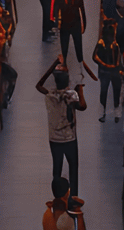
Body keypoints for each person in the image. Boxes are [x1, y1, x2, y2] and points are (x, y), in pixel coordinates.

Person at [38, 58, 87, 195]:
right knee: (73, 167)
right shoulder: (72, 95)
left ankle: (57, 195)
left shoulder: (50, 95)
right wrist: (80, 90)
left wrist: (53, 65)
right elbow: (82, 106)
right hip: (69, 138)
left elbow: (39, 85)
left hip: (54, 139)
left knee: (57, 167)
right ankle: (73, 196)